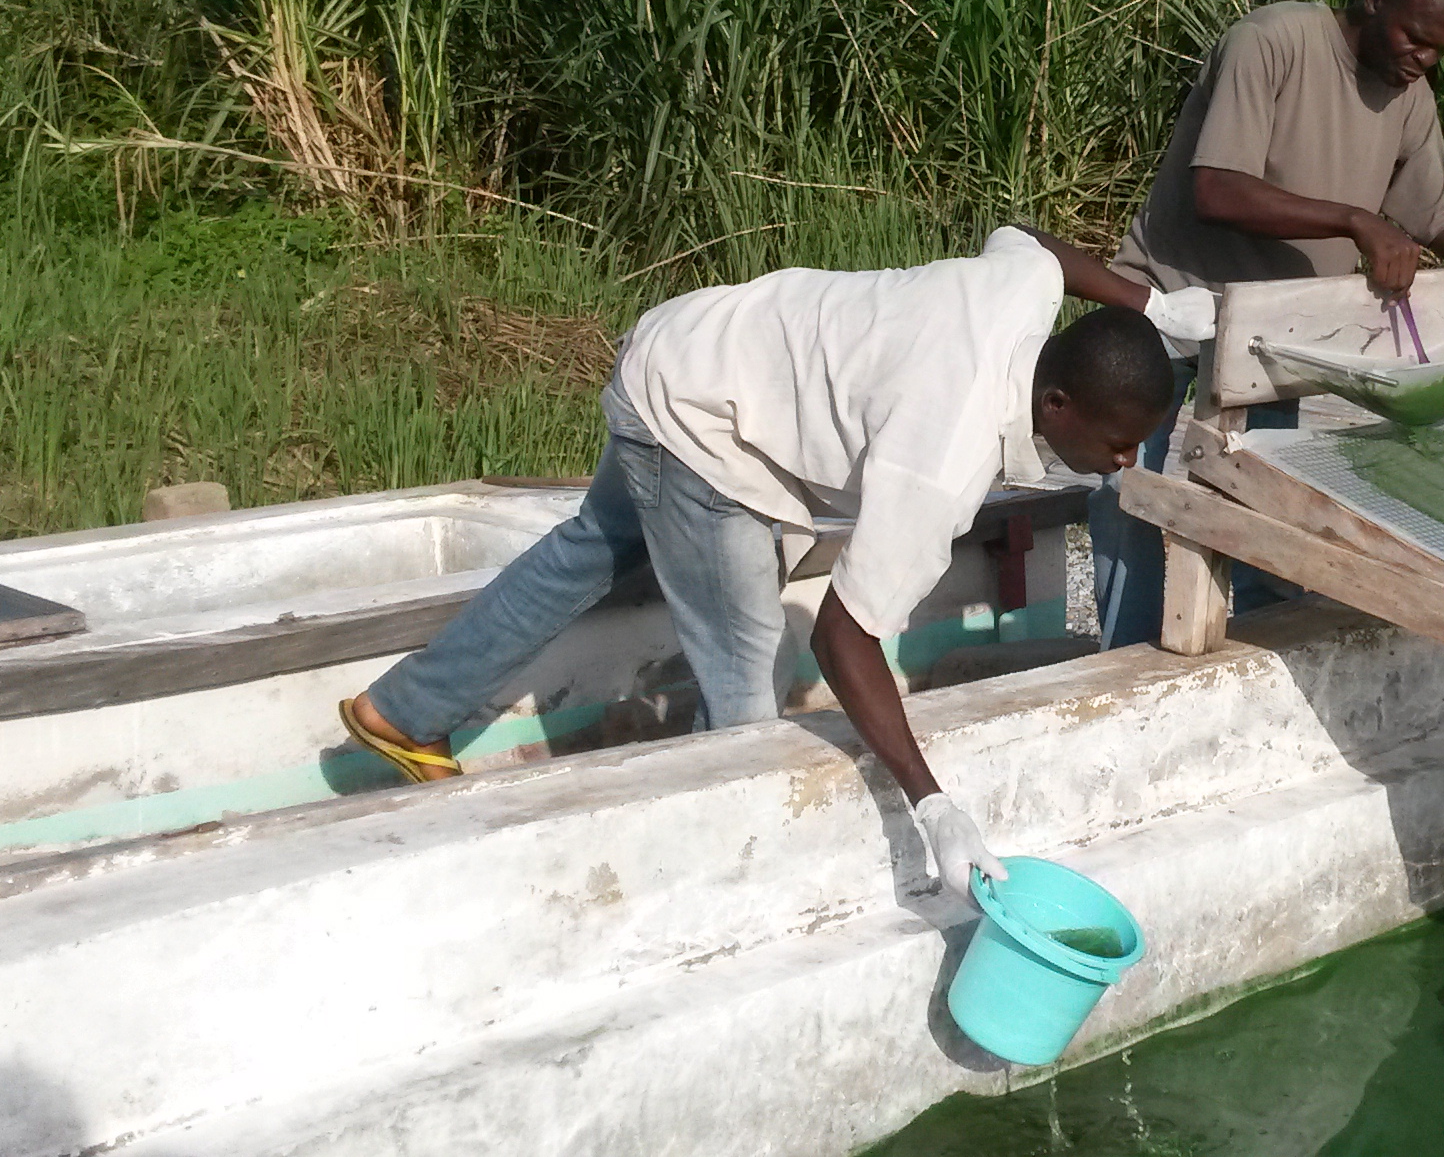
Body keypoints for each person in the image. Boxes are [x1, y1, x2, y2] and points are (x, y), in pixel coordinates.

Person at [337, 226, 1175, 899]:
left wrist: (1155, 308)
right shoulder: (941, 456)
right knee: (743, 679)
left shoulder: (1018, 301)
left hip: (683, 355)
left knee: (588, 553)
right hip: (707, 430)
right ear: (1055, 403)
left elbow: (1029, 241)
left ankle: (403, 711)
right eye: (1115, 442)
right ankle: (711, 892)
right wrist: (934, 804)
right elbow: (843, 642)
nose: (1123, 462)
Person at [1086, 0, 1444, 648]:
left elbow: (1439, 214)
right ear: (1373, 1)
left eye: (1441, 49)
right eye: (1412, 36)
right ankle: (1123, 669)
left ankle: (1240, 665)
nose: (1423, 59)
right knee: (1133, 492)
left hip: (1274, 330)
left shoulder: (1410, 99)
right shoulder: (1272, 43)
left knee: (1260, 506)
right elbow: (1216, 188)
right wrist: (1354, 220)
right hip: (1168, 301)